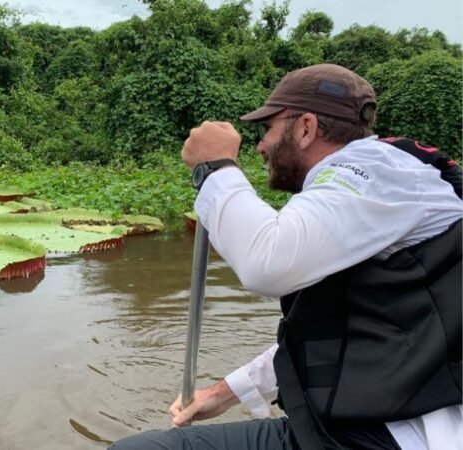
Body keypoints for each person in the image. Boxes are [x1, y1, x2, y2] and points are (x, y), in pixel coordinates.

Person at [109, 64, 462, 450]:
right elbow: (332, 335)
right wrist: (224, 392)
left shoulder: (369, 171)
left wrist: (215, 168)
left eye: (268, 130)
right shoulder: (378, 179)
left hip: (394, 434)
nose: (260, 146)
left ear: (306, 128)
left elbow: (268, 264)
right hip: (360, 424)